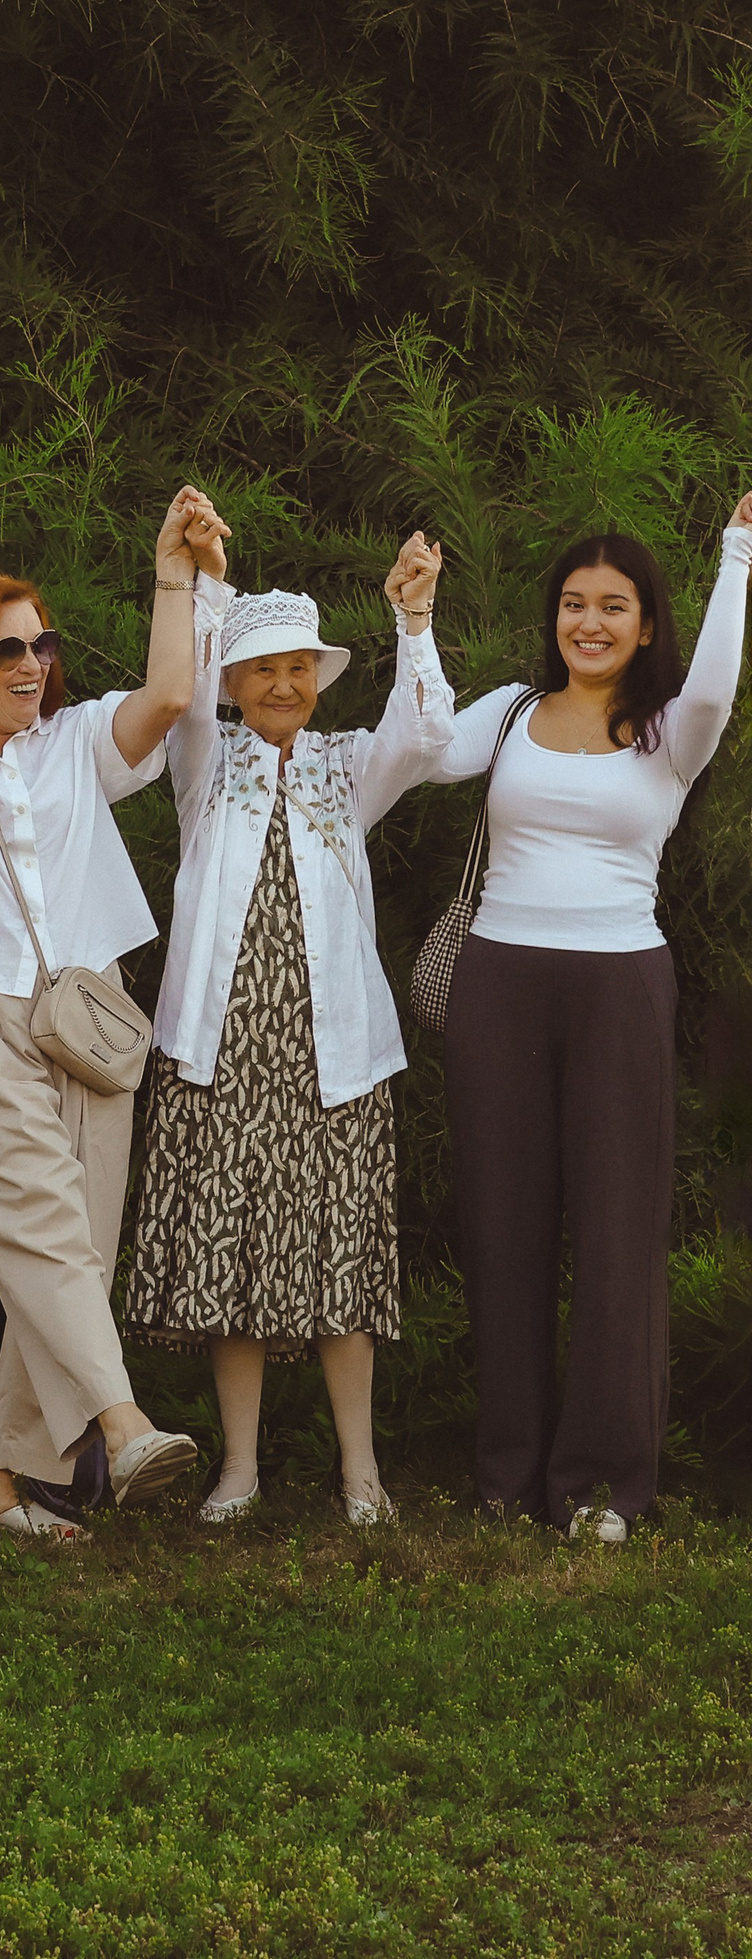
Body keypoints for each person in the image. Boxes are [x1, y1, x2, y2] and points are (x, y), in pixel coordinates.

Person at [0, 488, 220, 1542]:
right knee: (39, 1225)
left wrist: (172, 571)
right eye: (4, 650)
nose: (30, 665)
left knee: (73, 1246)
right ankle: (123, 1422)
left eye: (40, 646)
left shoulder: (72, 743)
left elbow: (165, 693)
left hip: (86, 1010)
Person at [430, 493, 752, 1543]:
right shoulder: (513, 712)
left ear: (646, 623)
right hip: (498, 984)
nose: (590, 623)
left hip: (619, 984)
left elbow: (714, 684)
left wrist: (738, 551)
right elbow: (430, 749)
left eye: (613, 607)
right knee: (502, 1225)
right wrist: (410, 625)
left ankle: (604, 1486)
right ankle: (509, 1472)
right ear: (553, 617)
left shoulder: (668, 732)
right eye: (573, 604)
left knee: (617, 1236)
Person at [125, 536, 453, 1525]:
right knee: (231, 1259)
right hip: (221, 1054)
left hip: (333, 1060)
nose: (282, 683)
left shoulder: (348, 769)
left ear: (317, 680)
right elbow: (175, 695)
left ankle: (359, 1470)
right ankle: (239, 1468)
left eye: (297, 667)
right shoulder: (202, 760)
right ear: (232, 680)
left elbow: (426, 736)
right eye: (262, 667)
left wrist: (413, 620)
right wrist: (202, 574)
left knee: (339, 1260)